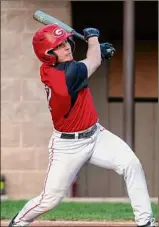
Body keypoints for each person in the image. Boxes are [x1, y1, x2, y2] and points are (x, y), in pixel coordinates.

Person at [9, 24, 157, 227]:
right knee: (50, 199)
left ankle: (145, 221)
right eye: (59, 46)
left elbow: (86, 63)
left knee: (131, 164)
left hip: (96, 135)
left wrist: (98, 52)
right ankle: (18, 222)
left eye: (65, 42)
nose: (67, 47)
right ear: (48, 55)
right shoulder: (62, 76)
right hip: (67, 147)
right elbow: (92, 62)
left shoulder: (60, 68)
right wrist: (93, 38)